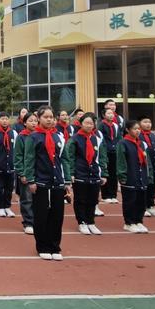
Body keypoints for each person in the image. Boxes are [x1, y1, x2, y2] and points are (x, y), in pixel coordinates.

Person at [23, 105, 72, 260]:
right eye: (46, 117)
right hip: (41, 181)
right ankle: (42, 246)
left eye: (51, 117)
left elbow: (64, 159)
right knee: (41, 215)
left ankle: (55, 246)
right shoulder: (34, 137)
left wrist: (67, 180)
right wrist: (31, 180)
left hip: (57, 181)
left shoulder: (59, 137)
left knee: (57, 216)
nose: (49, 120)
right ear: (39, 118)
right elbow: (29, 160)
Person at [64, 112, 108, 235]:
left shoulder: (97, 139)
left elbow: (102, 157)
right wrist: (71, 173)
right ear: (81, 124)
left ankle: (91, 222)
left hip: (94, 173)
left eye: (91, 123)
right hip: (80, 174)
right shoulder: (75, 139)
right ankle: (82, 222)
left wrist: (104, 173)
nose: (89, 125)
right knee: (80, 200)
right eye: (86, 123)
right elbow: (70, 157)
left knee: (93, 200)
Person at [117, 120, 150, 234]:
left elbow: (146, 161)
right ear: (127, 130)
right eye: (135, 129)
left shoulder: (141, 143)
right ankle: (129, 222)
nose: (137, 131)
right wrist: (122, 176)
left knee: (141, 201)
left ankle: (138, 221)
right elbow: (121, 162)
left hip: (141, 176)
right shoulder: (123, 143)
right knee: (130, 201)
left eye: (138, 129)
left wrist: (148, 176)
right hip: (130, 176)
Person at [13, 112, 37, 235]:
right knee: (27, 199)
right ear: (25, 122)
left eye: (35, 120)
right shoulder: (21, 137)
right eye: (31, 120)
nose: (33, 123)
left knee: (38, 199)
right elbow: (17, 157)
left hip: (39, 173)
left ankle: (38, 221)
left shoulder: (40, 135)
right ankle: (28, 222)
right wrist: (22, 173)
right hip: (27, 173)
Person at [0, 111, 18, 218]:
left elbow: (16, 150)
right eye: (2, 119)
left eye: (6, 119)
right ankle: (0, 207)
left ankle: (7, 206)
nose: (4, 121)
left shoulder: (13, 133)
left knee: (9, 188)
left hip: (10, 166)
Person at [140, 116, 155, 218]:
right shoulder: (138, 135)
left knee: (153, 187)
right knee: (144, 186)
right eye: (145, 122)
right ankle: (143, 207)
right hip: (144, 167)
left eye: (149, 122)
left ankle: (151, 206)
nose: (148, 124)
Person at [98, 108, 121, 204]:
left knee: (114, 174)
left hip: (114, 152)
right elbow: (100, 138)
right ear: (104, 115)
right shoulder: (101, 125)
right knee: (106, 173)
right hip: (105, 152)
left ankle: (113, 195)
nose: (111, 115)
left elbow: (119, 138)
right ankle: (105, 195)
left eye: (112, 113)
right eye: (108, 113)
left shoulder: (116, 126)